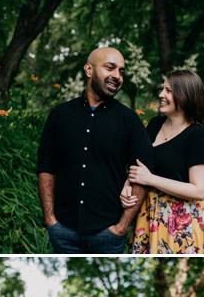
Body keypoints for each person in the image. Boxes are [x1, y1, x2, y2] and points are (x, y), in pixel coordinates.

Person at [36, 46, 154, 254]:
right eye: (110, 68)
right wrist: (50, 219)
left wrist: (121, 227)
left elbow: (144, 173)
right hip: (62, 231)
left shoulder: (129, 120)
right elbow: (46, 167)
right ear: (89, 70)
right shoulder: (60, 115)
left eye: (121, 71)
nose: (117, 76)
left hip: (108, 235)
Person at [126, 70, 204, 255]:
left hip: (181, 224)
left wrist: (150, 179)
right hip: (148, 215)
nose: (161, 95)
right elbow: (140, 165)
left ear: (184, 95)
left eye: (168, 91)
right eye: (162, 89)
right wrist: (127, 185)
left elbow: (199, 190)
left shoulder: (196, 136)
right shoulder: (155, 124)